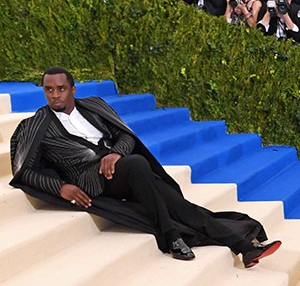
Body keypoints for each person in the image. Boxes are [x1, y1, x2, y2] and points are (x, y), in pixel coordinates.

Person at [10, 68, 281, 267]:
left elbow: (127, 136)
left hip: (121, 167)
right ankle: (170, 236)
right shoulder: (36, 125)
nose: (55, 95)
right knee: (139, 164)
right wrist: (62, 187)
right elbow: (24, 170)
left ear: (72, 89)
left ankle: (245, 249)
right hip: (90, 179)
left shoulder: (94, 106)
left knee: (179, 205)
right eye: (49, 90)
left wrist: (115, 153)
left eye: (61, 89)